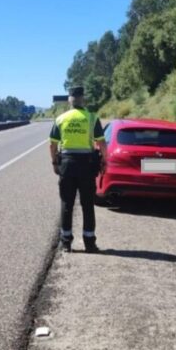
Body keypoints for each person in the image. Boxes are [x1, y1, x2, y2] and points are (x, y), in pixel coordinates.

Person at [49, 86, 108, 253]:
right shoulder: (91, 118)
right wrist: (105, 161)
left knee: (67, 203)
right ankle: (89, 242)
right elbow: (101, 143)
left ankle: (66, 242)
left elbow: (52, 144)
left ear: (69, 100)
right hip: (87, 165)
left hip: (67, 164)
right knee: (87, 204)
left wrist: (54, 163)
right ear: (83, 99)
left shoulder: (61, 119)